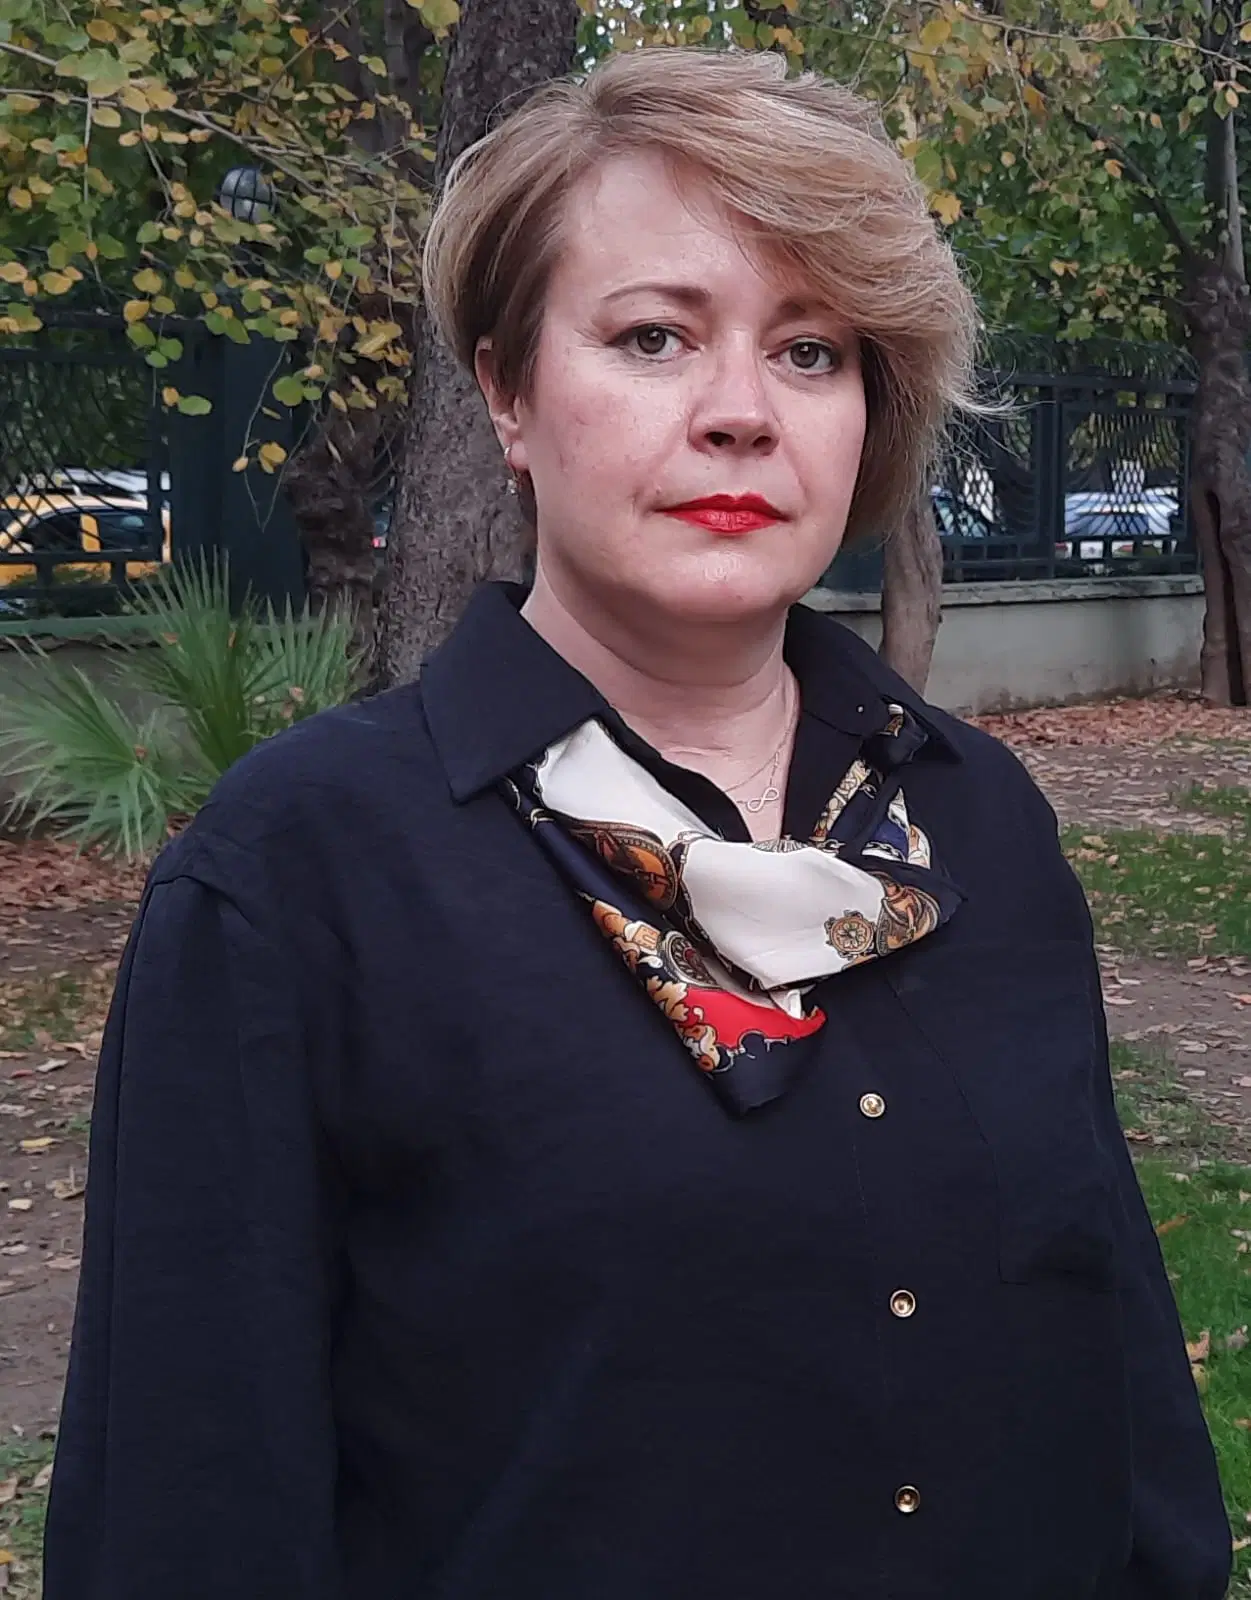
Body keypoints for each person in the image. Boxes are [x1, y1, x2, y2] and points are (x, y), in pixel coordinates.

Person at [44, 46, 1230, 1600]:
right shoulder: (301, 877)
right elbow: (189, 1500)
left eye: (809, 351)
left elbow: (1110, 1344)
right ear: (506, 392)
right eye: (654, 336)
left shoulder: (970, 818)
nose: (742, 413)